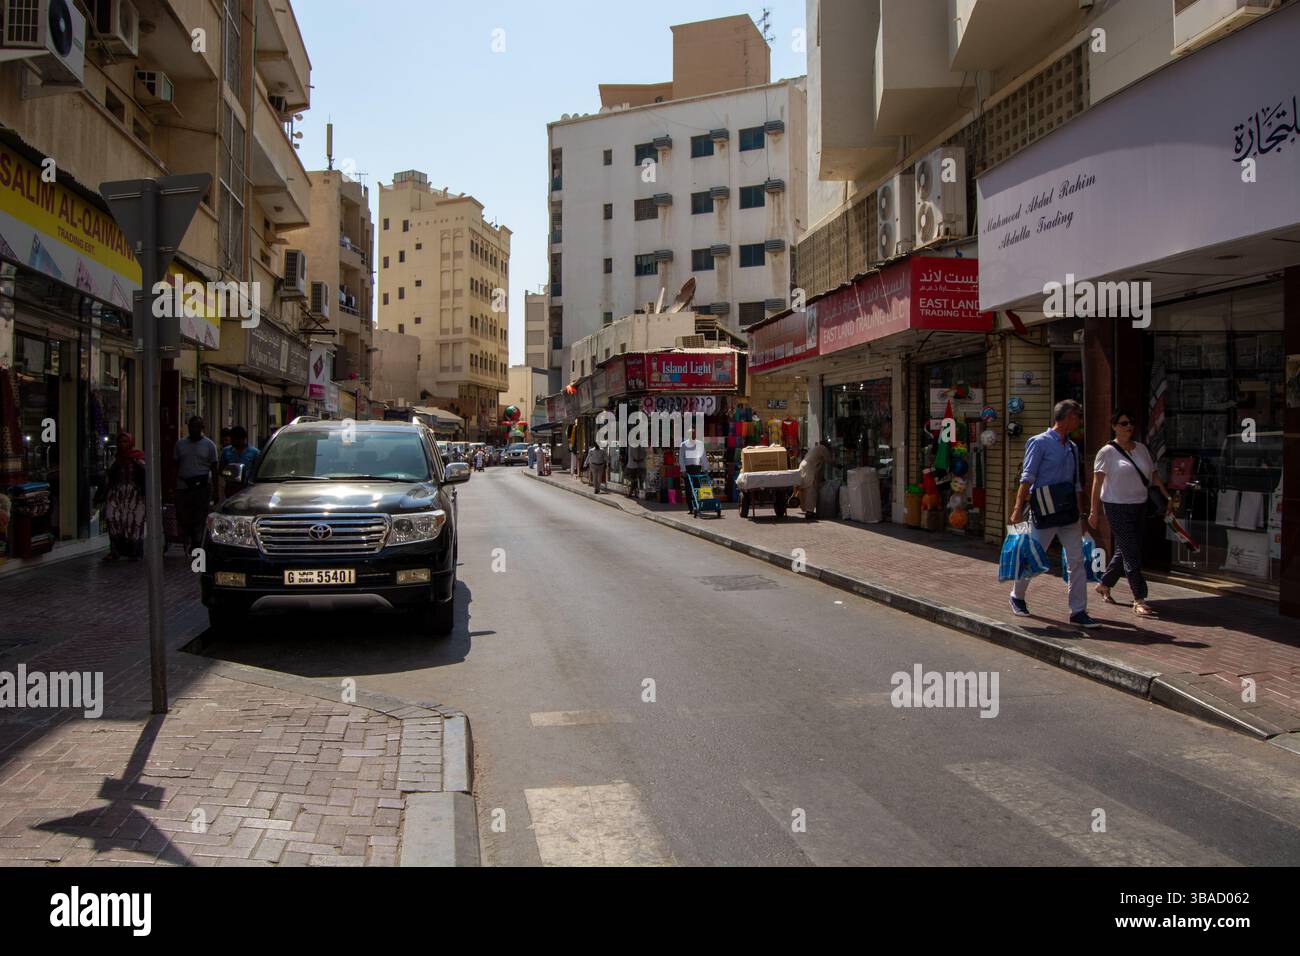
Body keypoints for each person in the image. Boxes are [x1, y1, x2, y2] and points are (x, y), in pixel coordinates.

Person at [1008, 399, 1101, 629]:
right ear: (1068, 417)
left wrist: (1082, 516)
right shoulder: (1039, 443)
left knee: (1077, 560)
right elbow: (1027, 477)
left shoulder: (1072, 447)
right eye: (1077, 416)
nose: (1079, 421)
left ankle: (1078, 611)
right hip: (1045, 510)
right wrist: (1018, 508)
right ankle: (1017, 596)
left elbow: (1077, 484)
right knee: (1035, 557)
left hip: (1068, 512)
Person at [1089, 409, 1172, 617]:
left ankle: (1105, 584)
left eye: (1131, 423)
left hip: (1140, 505)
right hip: (1116, 506)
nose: (1129, 427)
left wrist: (1167, 497)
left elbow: (1153, 476)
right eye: (1124, 423)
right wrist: (1093, 511)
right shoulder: (1106, 452)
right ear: (1114, 426)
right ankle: (1139, 598)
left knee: (1125, 549)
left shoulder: (1142, 449)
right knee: (1132, 552)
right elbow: (1096, 483)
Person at [174, 416, 219, 555]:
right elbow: (174, 466)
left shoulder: (209, 445)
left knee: (199, 518)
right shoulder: (180, 444)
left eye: (197, 427)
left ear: (202, 428)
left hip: (201, 486)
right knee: (184, 517)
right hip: (183, 486)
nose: (193, 430)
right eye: (191, 426)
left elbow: (214, 468)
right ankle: (193, 539)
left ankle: (197, 546)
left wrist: (216, 491)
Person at [102, 432, 146, 561]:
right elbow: (108, 476)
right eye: (120, 441)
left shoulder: (138, 457)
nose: (122, 444)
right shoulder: (115, 459)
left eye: (125, 441)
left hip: (134, 495)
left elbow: (146, 474)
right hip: (116, 495)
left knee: (133, 522)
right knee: (113, 519)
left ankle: (133, 551)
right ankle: (115, 550)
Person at [219, 425, 259, 500]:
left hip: (248, 490)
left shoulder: (254, 453)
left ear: (242, 439)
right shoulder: (226, 451)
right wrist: (230, 473)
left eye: (234, 439)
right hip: (231, 489)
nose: (232, 441)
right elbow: (221, 470)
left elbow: (257, 472)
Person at [799, 441, 833, 519]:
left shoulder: (815, 448)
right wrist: (838, 465)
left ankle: (808, 510)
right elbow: (829, 461)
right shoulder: (823, 448)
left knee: (806, 489)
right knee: (811, 490)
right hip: (809, 469)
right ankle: (809, 512)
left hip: (803, 467)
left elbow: (818, 464)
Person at [679, 430, 707, 513]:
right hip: (688, 468)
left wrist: (705, 468)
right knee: (688, 489)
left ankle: (698, 505)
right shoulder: (683, 444)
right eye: (691, 434)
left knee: (697, 488)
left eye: (694, 434)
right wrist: (683, 470)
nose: (693, 435)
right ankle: (691, 508)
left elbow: (703, 456)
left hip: (697, 468)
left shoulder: (700, 444)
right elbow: (681, 458)